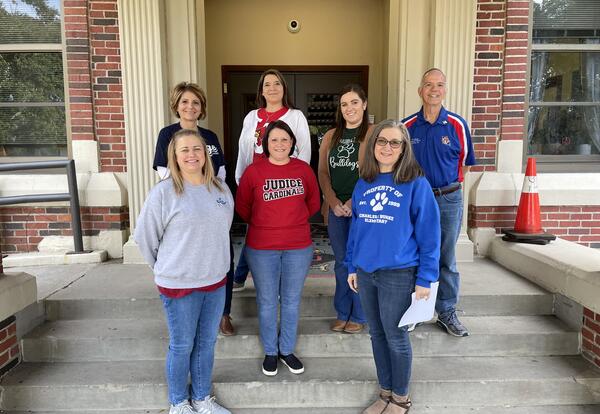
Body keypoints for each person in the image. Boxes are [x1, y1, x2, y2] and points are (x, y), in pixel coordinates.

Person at [136, 129, 233, 414]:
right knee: (182, 345)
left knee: (206, 343)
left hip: (215, 281)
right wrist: (166, 267)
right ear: (175, 157)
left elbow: (221, 229)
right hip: (179, 284)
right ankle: (179, 403)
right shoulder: (163, 193)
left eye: (197, 149)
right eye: (184, 150)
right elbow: (145, 237)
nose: (192, 155)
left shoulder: (220, 189)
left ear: (206, 154)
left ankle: (202, 399)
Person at [346, 120, 440, 414]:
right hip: (366, 272)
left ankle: (401, 398)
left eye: (395, 143)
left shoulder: (416, 184)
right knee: (376, 334)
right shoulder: (364, 181)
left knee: (396, 336)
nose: (387, 147)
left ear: (404, 149)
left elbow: (430, 235)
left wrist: (426, 278)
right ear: (373, 145)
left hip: (399, 273)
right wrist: (352, 265)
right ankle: (384, 393)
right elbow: (356, 228)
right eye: (381, 141)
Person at [236, 120, 320, 376]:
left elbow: (314, 203)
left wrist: (290, 221)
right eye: (274, 140)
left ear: (292, 143)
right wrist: (267, 224)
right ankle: (270, 352)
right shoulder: (254, 171)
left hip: (298, 246)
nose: (280, 144)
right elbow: (243, 207)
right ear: (266, 144)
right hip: (262, 247)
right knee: (267, 300)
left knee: (292, 300)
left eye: (285, 139)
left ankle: (287, 350)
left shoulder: (303, 169)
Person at [152, 81, 236, 336]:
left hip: (212, 202)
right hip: (182, 204)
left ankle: (224, 313)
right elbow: (164, 172)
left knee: (224, 256)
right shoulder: (167, 134)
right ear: (177, 106)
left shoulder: (210, 137)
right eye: (185, 102)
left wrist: (213, 198)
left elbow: (220, 172)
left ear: (202, 108)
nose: (190, 107)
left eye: (196, 102)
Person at [402, 68, 476, 337]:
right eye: (429, 85)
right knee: (414, 254)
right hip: (416, 200)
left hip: (448, 198)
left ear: (445, 90)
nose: (434, 89)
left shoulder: (457, 125)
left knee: (446, 256)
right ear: (420, 90)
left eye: (440, 85)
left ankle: (446, 311)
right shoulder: (407, 126)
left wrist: (446, 188)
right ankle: (418, 311)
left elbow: (465, 166)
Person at [233, 69, 311, 292]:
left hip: (285, 183)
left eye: (277, 83)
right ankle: (244, 276)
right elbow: (243, 150)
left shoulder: (295, 116)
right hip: (256, 181)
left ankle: (254, 278)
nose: (272, 88)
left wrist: (299, 183)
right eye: (267, 84)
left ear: (284, 88)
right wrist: (242, 180)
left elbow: (304, 152)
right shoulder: (251, 117)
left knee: (270, 235)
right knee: (256, 231)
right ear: (261, 90)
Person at [318, 84, 373, 334]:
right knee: (341, 263)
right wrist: (333, 202)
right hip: (336, 210)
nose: (349, 108)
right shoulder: (331, 136)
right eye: (344, 104)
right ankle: (342, 312)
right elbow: (322, 172)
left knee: (359, 262)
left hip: (363, 210)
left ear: (364, 104)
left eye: (353, 102)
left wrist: (352, 203)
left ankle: (359, 314)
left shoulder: (373, 134)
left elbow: (373, 173)